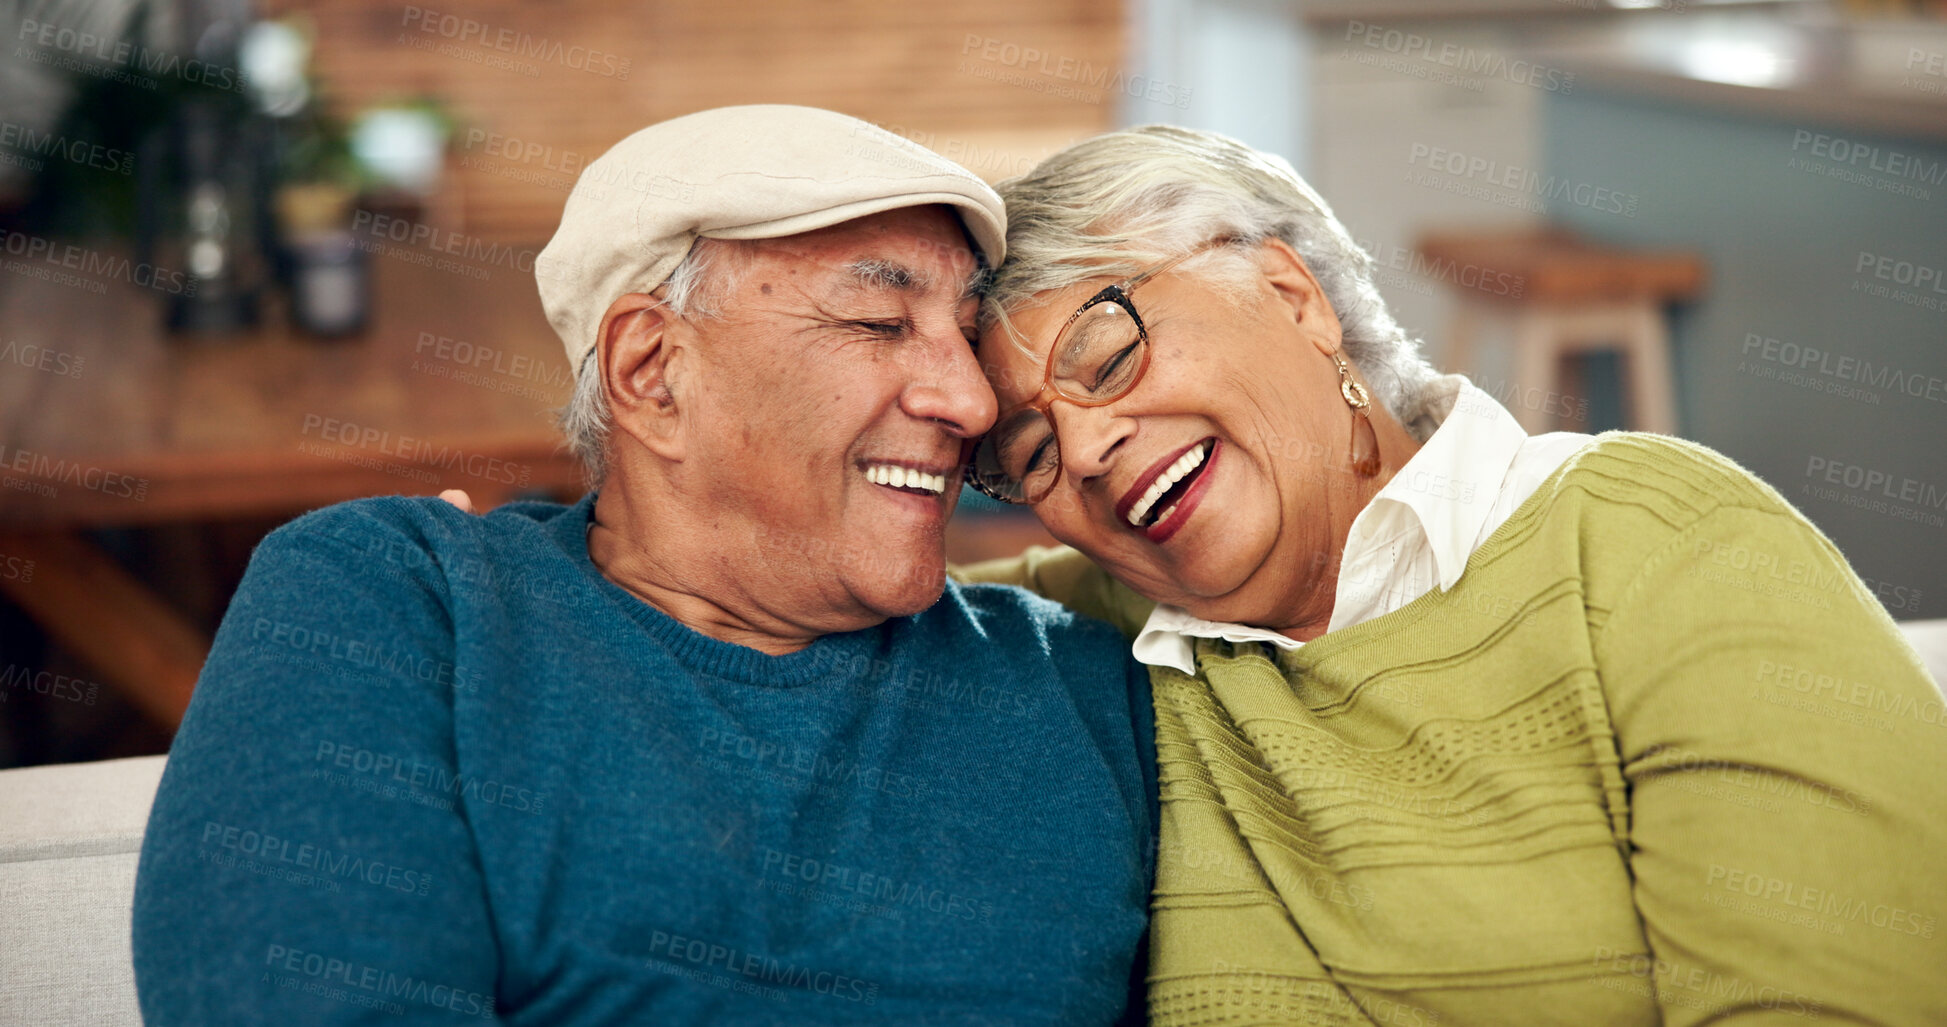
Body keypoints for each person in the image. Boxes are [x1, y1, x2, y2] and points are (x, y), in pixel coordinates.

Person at [132, 105, 1156, 1026]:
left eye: (967, 334)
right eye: (881, 322)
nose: (972, 404)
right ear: (650, 371)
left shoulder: (1086, 682)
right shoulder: (403, 604)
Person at [956, 125, 1947, 1025]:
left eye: (1108, 355)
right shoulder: (1083, 632)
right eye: (1031, 450)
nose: (1083, 449)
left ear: (1293, 296)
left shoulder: (1661, 547)